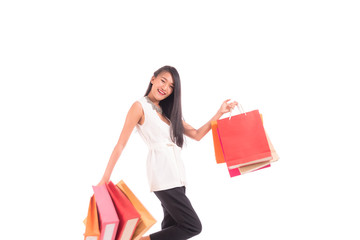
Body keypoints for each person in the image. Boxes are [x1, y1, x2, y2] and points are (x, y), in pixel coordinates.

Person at [98, 65, 238, 240]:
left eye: (171, 86)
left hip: (177, 175)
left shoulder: (169, 111)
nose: (165, 88)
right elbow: (120, 144)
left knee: (171, 229)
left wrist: (220, 113)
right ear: (153, 79)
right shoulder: (139, 106)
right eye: (163, 81)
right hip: (162, 174)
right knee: (192, 225)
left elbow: (196, 134)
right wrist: (105, 177)